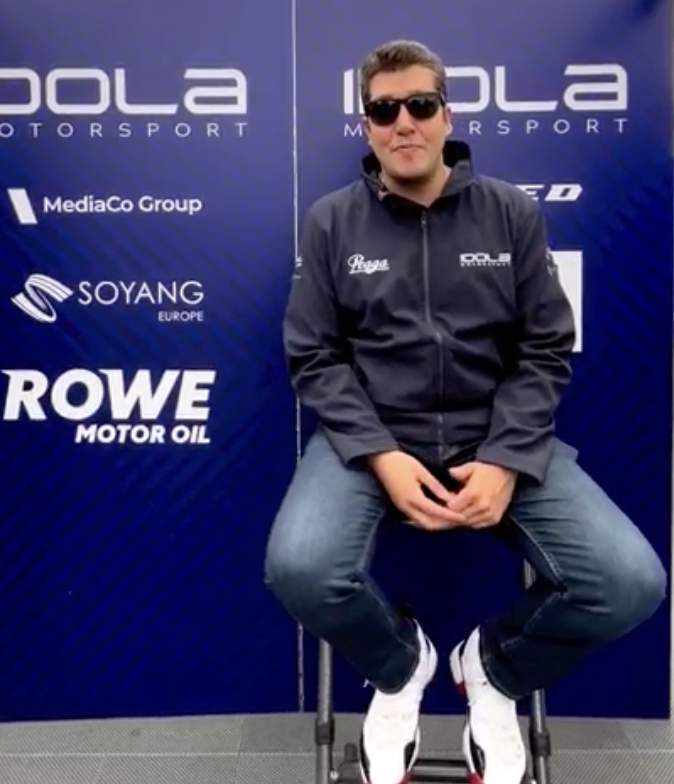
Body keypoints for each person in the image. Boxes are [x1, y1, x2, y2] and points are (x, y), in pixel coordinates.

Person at [264, 39, 667, 784]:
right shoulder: (329, 223)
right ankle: (401, 665)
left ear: (446, 114)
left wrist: (509, 458)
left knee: (630, 583)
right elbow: (312, 357)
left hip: (498, 438)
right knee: (300, 567)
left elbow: (547, 347)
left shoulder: (510, 212)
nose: (403, 123)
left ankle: (492, 670)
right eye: (384, 110)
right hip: (372, 442)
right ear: (366, 124)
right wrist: (380, 455)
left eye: (420, 105)